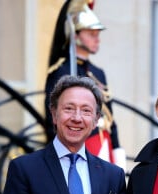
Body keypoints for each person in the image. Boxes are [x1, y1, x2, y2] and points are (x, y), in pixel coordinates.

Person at [44, 0, 126, 169]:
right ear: (75, 36)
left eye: (97, 34)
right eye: (91, 34)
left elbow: (110, 117)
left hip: (104, 144)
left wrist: (117, 150)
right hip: (78, 144)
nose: (97, 40)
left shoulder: (98, 72)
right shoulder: (61, 71)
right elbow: (52, 117)